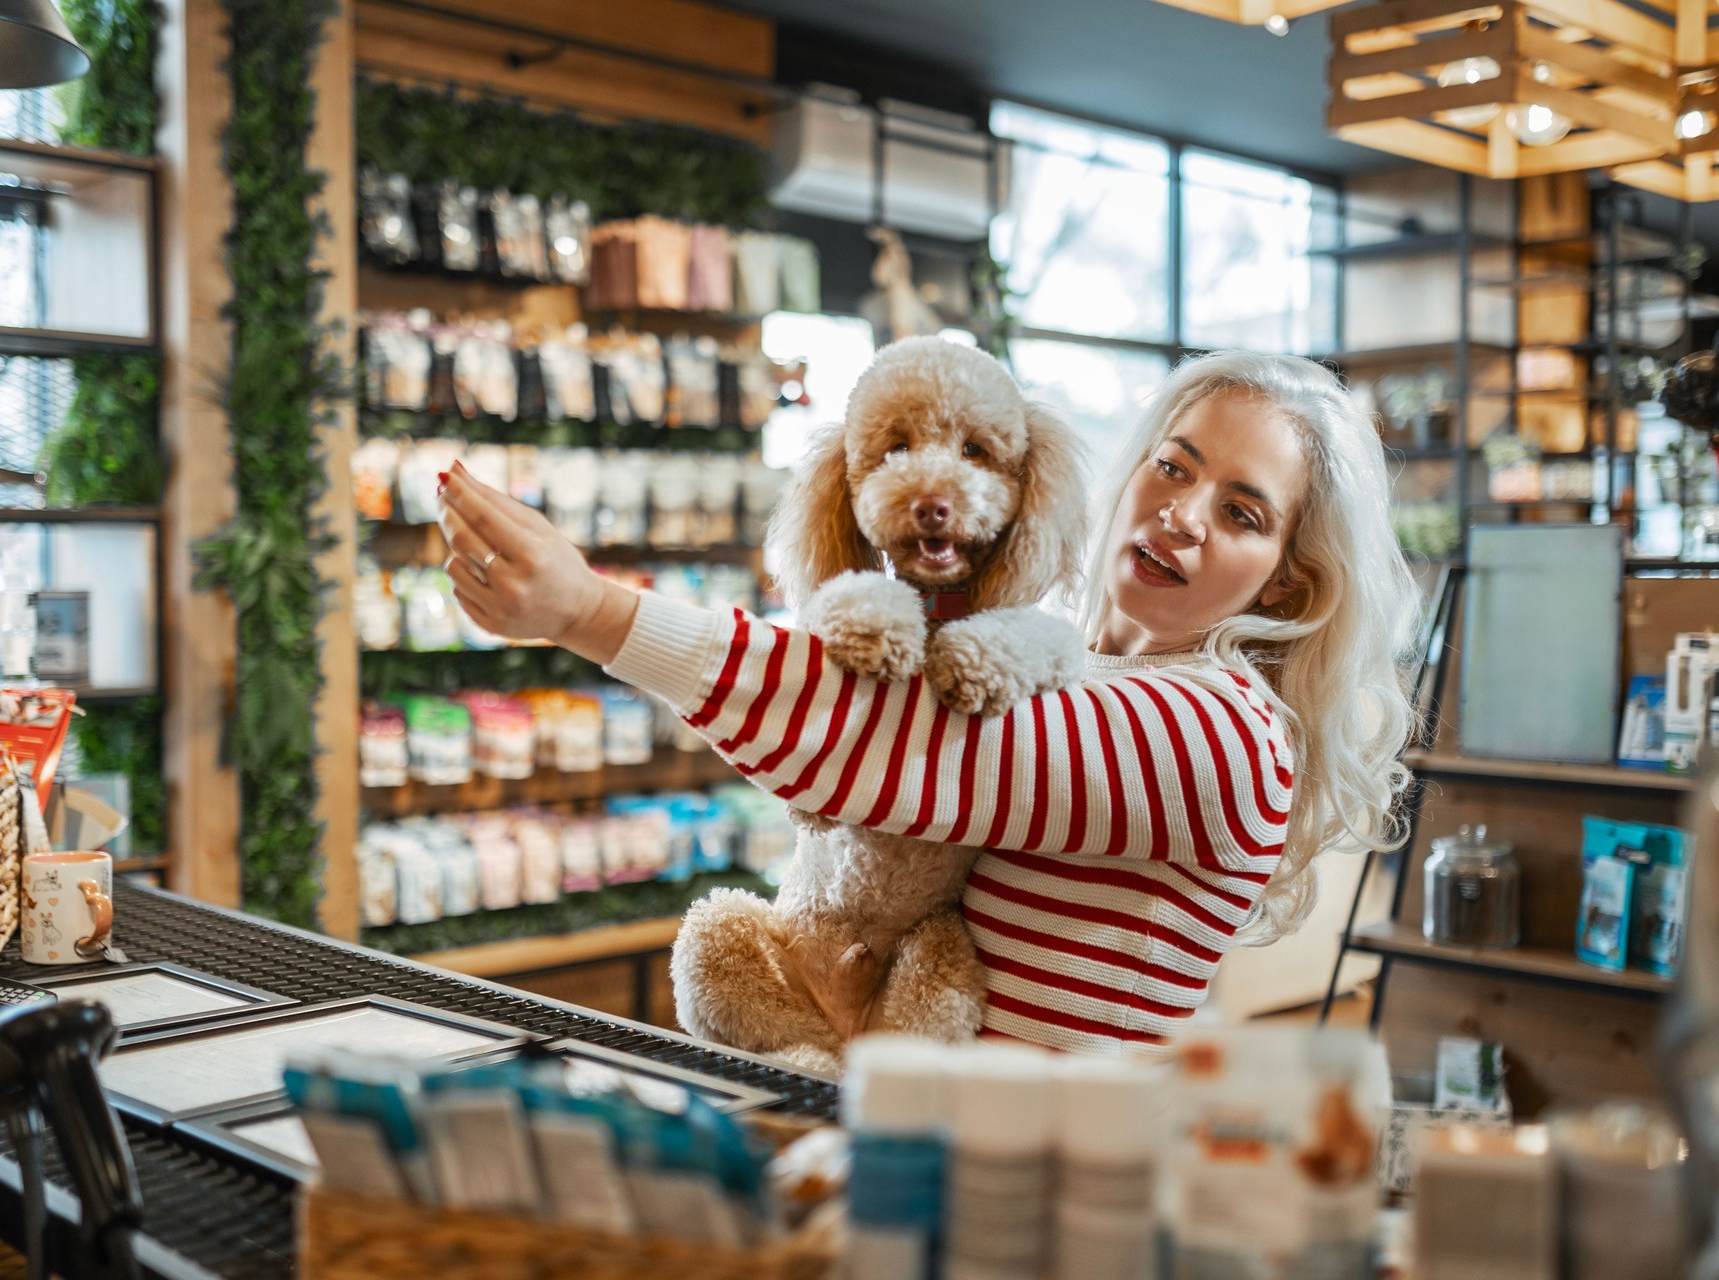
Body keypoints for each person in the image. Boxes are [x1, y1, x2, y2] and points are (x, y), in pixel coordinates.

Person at [435, 350, 1416, 1056]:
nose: (1181, 513)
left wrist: (592, 611)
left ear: (1285, 582)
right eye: (1175, 463)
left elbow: (896, 751)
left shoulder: (1220, 729)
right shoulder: (1075, 657)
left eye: (1241, 512)